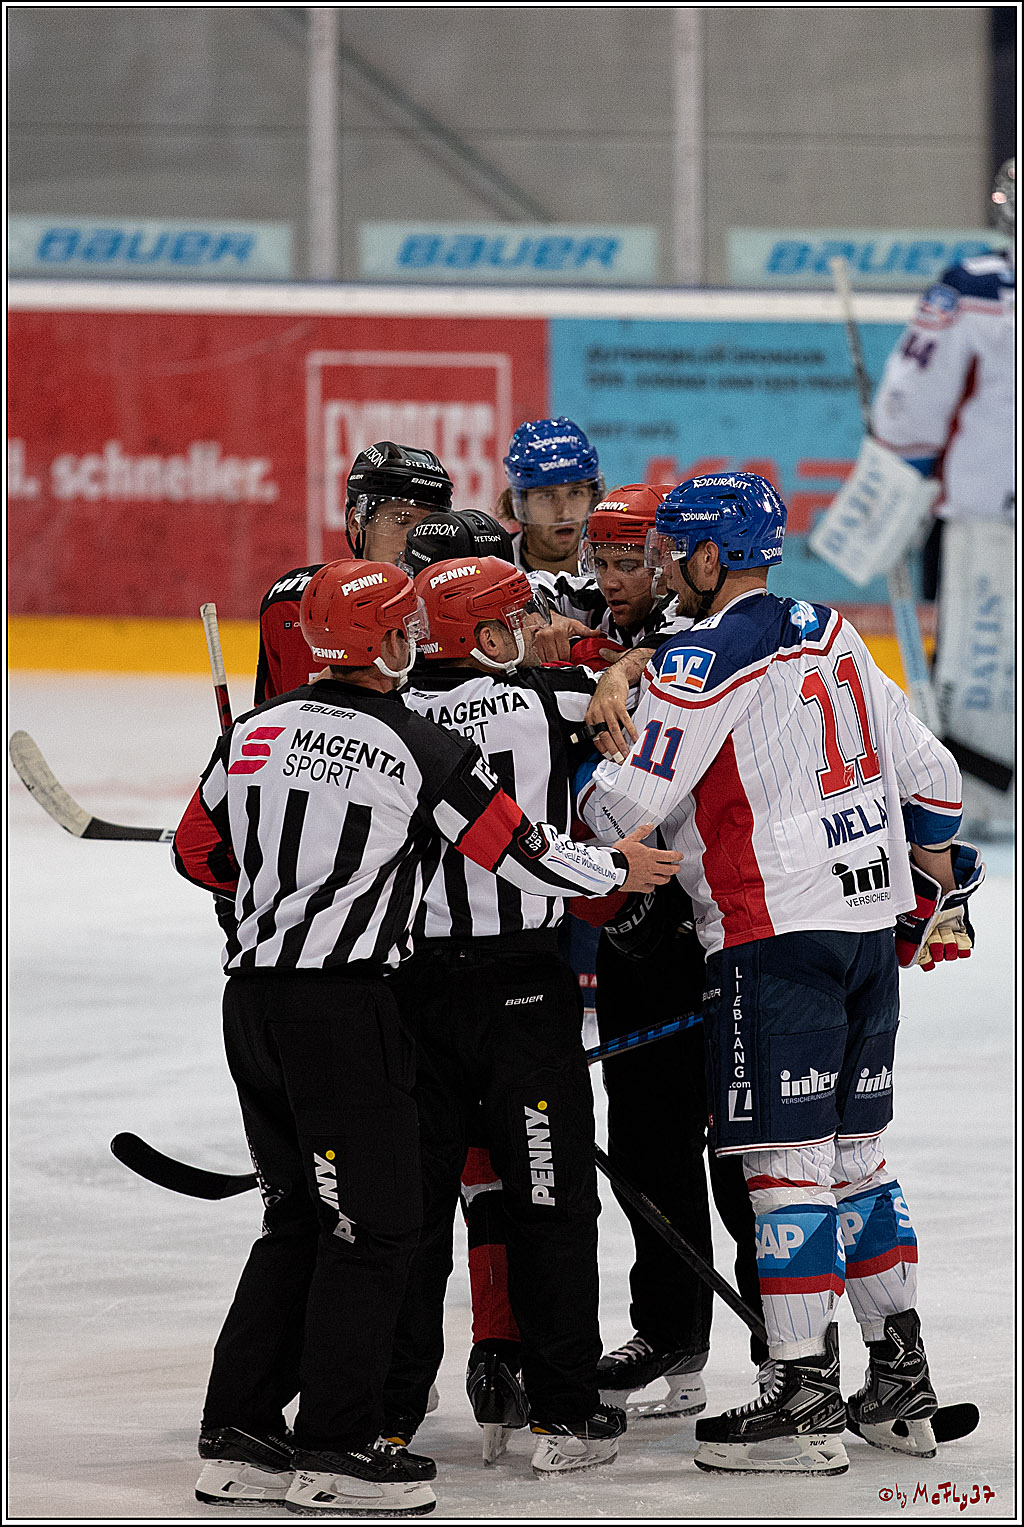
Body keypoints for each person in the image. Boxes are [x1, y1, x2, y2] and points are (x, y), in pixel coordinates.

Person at [173, 559, 679, 1514]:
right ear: (387, 643)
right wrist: (614, 866)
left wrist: (291, 888)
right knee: (374, 1226)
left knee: (299, 1221)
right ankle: (336, 1446)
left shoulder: (251, 732)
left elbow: (198, 854)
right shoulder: (415, 744)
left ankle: (239, 1432)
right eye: (402, 629)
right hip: (348, 1010)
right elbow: (518, 849)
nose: (414, 641)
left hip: (253, 1008)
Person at [579, 472, 980, 1476]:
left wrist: (578, 798)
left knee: (783, 1170)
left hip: (773, 939)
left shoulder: (705, 656)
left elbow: (625, 805)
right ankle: (900, 1379)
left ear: (713, 555)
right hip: (866, 934)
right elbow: (933, 779)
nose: (665, 564)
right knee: (858, 1163)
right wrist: (938, 886)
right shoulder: (830, 628)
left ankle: (800, 1394)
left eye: (675, 548)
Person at [381, 555, 636, 1475]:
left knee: (412, 1214)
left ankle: (386, 1415)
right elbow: (648, 686)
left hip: (415, 997)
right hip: (526, 994)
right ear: (485, 636)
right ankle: (566, 1414)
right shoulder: (542, 698)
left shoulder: (391, 717)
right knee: (551, 1203)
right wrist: (614, 666)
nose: (534, 627)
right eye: (518, 617)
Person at [549, 484, 766, 1417]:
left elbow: (678, 659)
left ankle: (788, 1340)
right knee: (645, 1141)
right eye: (600, 560)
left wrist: (627, 663)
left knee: (742, 1149)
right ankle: (671, 1330)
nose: (614, 577)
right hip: (634, 940)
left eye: (631, 560)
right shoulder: (594, 630)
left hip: (712, 933)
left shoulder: (701, 638)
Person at [871, 157, 1014, 833]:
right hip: (989, 518)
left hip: (990, 522)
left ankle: (982, 804)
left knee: (983, 672)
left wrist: (895, 458)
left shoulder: (976, 286)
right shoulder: (976, 289)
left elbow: (909, 403)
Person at [254, 441, 454, 704]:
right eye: (400, 520)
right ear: (356, 524)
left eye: (428, 525)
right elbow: (270, 720)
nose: (415, 539)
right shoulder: (289, 605)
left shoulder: (456, 614)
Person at [497, 417, 605, 577]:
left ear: (593, 495)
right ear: (520, 505)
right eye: (547, 496)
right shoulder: (493, 570)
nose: (565, 514)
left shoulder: (616, 569)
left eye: (576, 493)